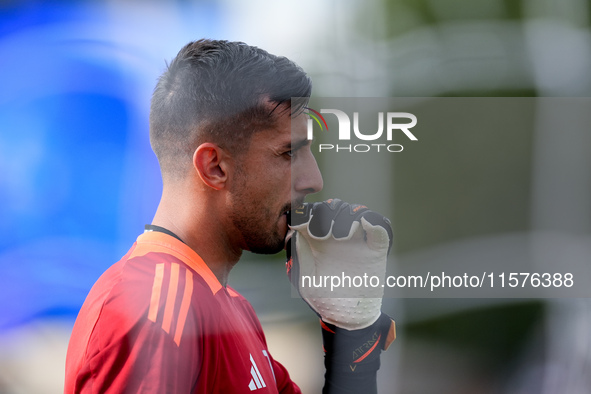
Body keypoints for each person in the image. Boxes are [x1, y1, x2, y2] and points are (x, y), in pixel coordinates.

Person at [65, 39, 394, 394]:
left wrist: (351, 339)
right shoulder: (152, 309)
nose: (314, 181)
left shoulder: (232, 309)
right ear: (215, 167)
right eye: (288, 153)